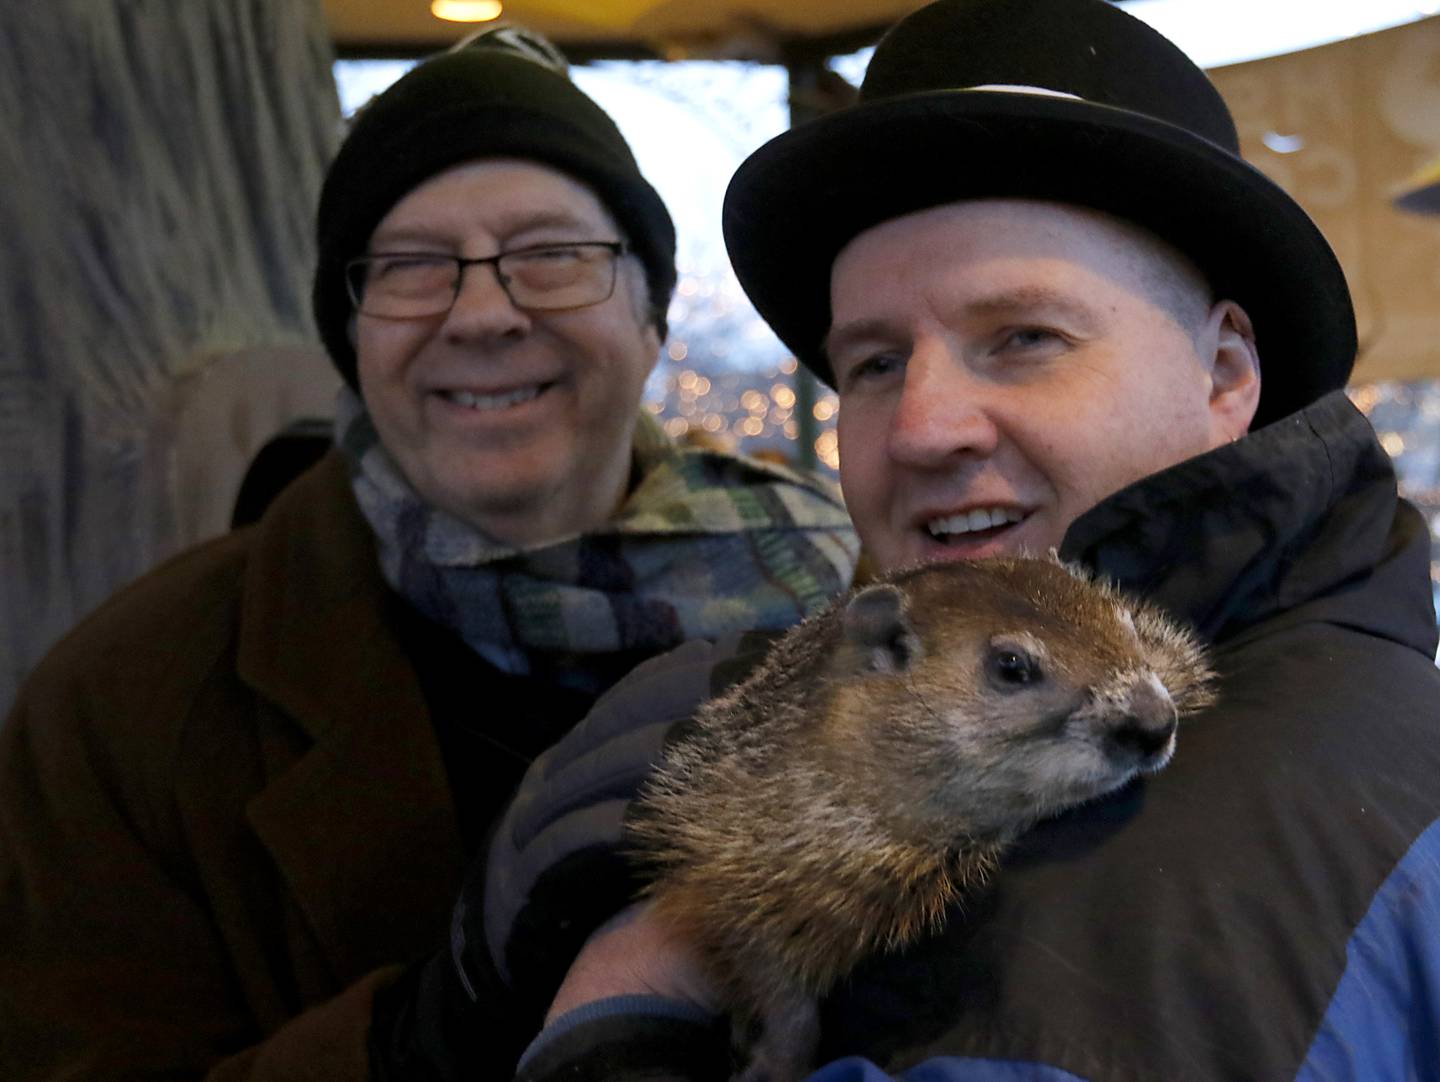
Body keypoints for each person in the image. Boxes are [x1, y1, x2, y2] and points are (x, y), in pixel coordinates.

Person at [479, 2, 1440, 1079]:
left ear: (1224, 373)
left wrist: (615, 1020)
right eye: (875, 364)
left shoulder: (1190, 872)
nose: (924, 427)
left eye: (1024, 337)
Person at [0, 26, 858, 1081]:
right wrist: (423, 1028)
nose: (485, 313)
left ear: (649, 313)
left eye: (551, 254)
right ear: (352, 339)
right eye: (413, 268)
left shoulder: (848, 605)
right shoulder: (127, 703)